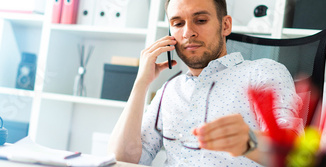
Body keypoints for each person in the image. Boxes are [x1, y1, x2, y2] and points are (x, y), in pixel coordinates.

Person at [108, 0, 303, 166]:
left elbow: (293, 154)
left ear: (225, 25)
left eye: (200, 20)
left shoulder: (262, 72)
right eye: (177, 23)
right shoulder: (169, 89)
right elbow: (124, 160)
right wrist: (141, 83)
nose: (188, 32)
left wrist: (249, 141)